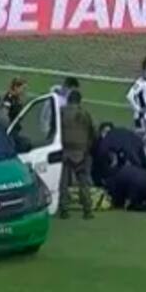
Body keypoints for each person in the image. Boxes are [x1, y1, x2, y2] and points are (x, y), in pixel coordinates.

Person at [59, 90, 96, 220]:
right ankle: (87, 210)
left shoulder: (62, 112)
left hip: (65, 151)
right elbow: (92, 132)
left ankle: (63, 209)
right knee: (83, 183)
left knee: (63, 182)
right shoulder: (84, 114)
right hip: (81, 151)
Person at [92, 122, 146, 186]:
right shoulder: (98, 145)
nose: (107, 135)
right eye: (104, 132)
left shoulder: (120, 145)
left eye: (109, 132)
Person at [126, 56, 146, 134]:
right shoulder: (140, 83)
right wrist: (138, 109)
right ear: (143, 71)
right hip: (142, 117)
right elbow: (129, 96)